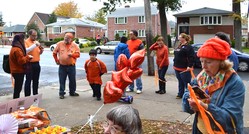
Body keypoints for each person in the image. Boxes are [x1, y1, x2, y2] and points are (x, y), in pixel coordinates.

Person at [182, 37, 245, 133]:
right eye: (201, 61)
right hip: (200, 129)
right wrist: (190, 101)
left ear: (221, 62)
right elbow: (187, 104)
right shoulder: (201, 77)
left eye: (208, 62)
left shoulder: (234, 83)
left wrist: (206, 107)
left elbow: (229, 119)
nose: (203, 66)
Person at [53, 32, 80, 99]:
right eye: (65, 37)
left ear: (71, 39)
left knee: (72, 80)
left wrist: (72, 55)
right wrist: (56, 60)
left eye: (68, 38)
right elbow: (54, 53)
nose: (66, 39)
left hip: (71, 66)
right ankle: (61, 93)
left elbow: (78, 55)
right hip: (62, 66)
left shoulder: (75, 45)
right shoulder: (60, 44)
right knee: (62, 80)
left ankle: (72, 92)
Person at [9, 34, 33, 99]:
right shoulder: (17, 49)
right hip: (18, 71)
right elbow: (21, 61)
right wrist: (28, 57)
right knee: (18, 89)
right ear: (20, 40)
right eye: (23, 39)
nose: (24, 41)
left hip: (15, 70)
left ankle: (15, 101)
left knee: (17, 88)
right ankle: (15, 103)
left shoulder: (14, 47)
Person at [173, 33, 195, 99]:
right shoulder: (179, 45)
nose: (179, 38)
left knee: (186, 82)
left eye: (180, 37)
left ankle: (188, 95)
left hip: (185, 68)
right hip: (177, 66)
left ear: (184, 38)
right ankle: (180, 94)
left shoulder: (189, 47)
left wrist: (190, 65)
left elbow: (192, 57)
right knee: (180, 81)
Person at [24, 29, 44, 97]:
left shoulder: (36, 42)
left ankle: (35, 95)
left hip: (37, 63)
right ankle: (27, 96)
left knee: (36, 80)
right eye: (33, 36)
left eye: (36, 36)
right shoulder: (26, 42)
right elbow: (26, 51)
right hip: (29, 63)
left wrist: (41, 50)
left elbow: (38, 52)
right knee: (28, 80)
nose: (35, 37)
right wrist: (35, 45)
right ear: (29, 35)